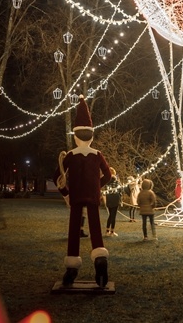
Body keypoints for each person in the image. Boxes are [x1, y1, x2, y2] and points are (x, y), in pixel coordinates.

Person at [52, 96, 112, 287]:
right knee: (95, 229)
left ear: (76, 137)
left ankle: (71, 268)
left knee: (73, 231)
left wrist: (66, 193)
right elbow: (109, 175)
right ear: (92, 136)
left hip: (76, 197)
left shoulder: (70, 155)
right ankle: (100, 260)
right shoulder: (97, 154)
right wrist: (97, 186)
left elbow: (56, 178)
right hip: (93, 196)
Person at [104, 168, 122, 237]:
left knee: (110, 215)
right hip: (115, 199)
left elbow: (105, 189)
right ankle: (112, 231)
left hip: (109, 199)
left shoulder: (106, 181)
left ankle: (107, 230)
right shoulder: (116, 181)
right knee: (113, 215)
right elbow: (120, 189)